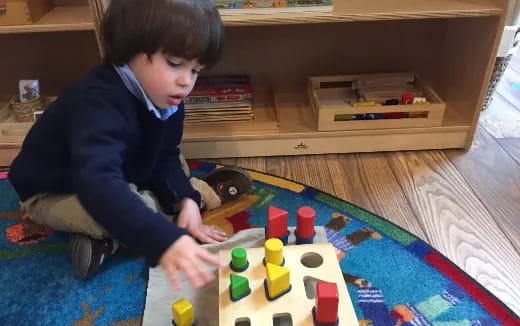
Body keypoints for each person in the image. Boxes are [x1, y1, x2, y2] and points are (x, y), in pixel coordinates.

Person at [7, 0, 252, 290]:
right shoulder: (97, 102)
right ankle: (106, 239)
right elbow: (96, 183)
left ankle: (186, 200)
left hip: (123, 168)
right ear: (129, 50)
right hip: (55, 191)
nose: (187, 81)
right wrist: (164, 240)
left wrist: (185, 200)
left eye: (196, 70)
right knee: (135, 206)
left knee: (174, 171)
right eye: (175, 64)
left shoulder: (169, 96)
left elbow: (165, 154)